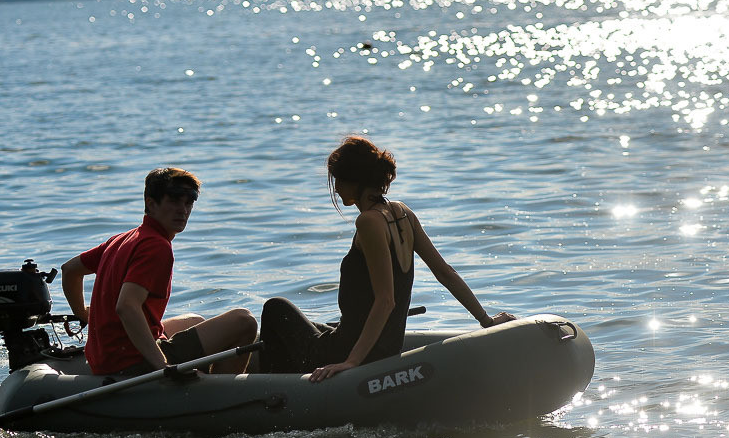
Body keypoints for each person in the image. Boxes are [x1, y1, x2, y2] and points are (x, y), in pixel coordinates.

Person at [253, 136, 515, 382]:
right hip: (387, 346)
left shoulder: (368, 221)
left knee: (276, 308)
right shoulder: (403, 213)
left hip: (354, 351)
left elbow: (386, 300)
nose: (336, 187)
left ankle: (271, 392)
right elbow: (445, 272)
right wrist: (486, 320)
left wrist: (352, 362)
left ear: (354, 181)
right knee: (315, 326)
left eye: (339, 180)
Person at [61, 167, 256, 378]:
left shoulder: (123, 239)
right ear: (151, 204)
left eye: (188, 202)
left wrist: (83, 313)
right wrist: (162, 367)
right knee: (244, 321)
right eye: (173, 201)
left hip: (104, 358)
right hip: (131, 363)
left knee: (195, 320)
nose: (182, 210)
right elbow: (126, 306)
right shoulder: (156, 246)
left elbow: (70, 270)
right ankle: (219, 396)